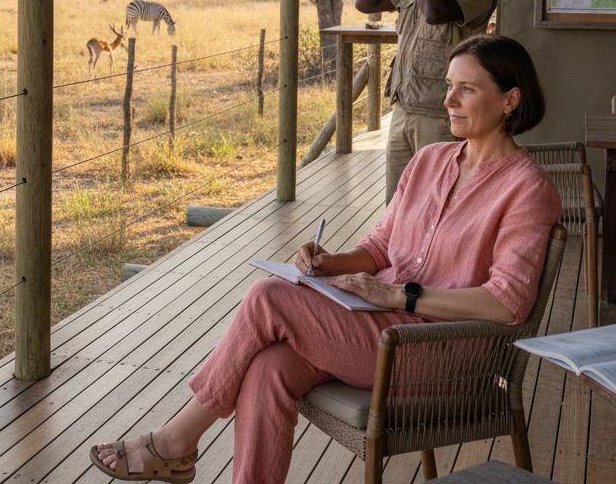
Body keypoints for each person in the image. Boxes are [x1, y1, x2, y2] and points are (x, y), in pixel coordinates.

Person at [89, 35, 560, 484]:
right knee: (269, 368)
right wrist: (330, 263)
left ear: (510, 100)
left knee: (270, 296)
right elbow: (380, 247)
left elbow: (507, 303)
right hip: (378, 326)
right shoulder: (430, 160)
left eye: (467, 89)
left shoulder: (528, 189)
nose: (449, 100)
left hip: (440, 351)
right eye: (448, 87)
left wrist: (399, 294)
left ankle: (176, 440)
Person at [354, 0, 497, 202]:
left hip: (443, 113)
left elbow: (435, 12)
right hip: (404, 107)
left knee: (436, 203)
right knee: (398, 202)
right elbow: (366, 2)